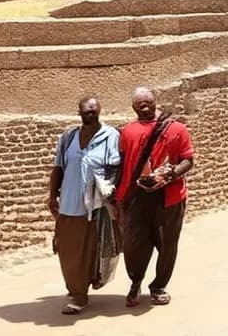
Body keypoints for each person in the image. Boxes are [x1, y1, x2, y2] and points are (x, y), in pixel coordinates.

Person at [116, 87, 195, 308]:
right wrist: (119, 196)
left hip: (169, 196)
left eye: (148, 102)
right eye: (140, 104)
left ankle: (159, 286)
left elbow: (188, 160)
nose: (145, 106)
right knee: (133, 244)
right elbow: (124, 165)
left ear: (155, 101)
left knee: (167, 244)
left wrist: (170, 174)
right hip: (137, 197)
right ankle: (135, 281)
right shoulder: (128, 131)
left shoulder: (177, 129)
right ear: (133, 107)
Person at [47, 96, 120, 315]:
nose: (92, 114)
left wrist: (110, 196)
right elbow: (58, 167)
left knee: (90, 250)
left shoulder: (110, 136)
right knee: (68, 250)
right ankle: (76, 289)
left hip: (95, 205)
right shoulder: (68, 137)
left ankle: (80, 294)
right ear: (79, 112)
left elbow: (116, 168)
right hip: (69, 203)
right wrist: (52, 196)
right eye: (87, 111)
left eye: (95, 111)